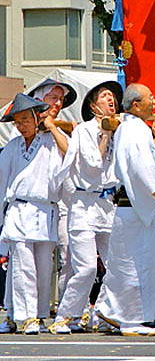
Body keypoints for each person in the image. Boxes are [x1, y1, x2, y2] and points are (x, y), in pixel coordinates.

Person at [95, 83, 155, 336]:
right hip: (132, 208)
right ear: (136, 104)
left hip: (134, 207)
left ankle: (124, 312)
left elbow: (140, 164)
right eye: (150, 97)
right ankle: (125, 317)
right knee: (132, 264)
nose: (154, 101)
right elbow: (144, 173)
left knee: (141, 263)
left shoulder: (132, 129)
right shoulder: (134, 130)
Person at [49, 81, 123, 334]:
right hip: (83, 204)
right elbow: (93, 165)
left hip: (107, 204)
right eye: (105, 96)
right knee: (87, 267)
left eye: (113, 97)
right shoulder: (84, 131)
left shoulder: (118, 130)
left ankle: (102, 312)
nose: (111, 100)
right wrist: (105, 136)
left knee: (116, 264)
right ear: (93, 106)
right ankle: (66, 315)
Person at [0, 93, 69, 334]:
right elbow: (1, 185)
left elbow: (70, 155)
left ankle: (37, 313)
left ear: (35, 118)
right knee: (22, 266)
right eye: (16, 122)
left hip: (45, 210)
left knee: (42, 267)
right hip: (19, 211)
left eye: (24, 120)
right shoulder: (12, 146)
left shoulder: (52, 141)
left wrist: (51, 126)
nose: (20, 126)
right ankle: (23, 315)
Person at [28, 79, 78, 307]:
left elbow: (68, 152)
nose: (58, 103)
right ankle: (29, 310)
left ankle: (68, 307)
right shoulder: (24, 129)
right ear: (40, 99)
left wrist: (52, 127)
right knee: (29, 263)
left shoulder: (61, 132)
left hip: (64, 204)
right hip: (31, 204)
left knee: (70, 256)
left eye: (60, 99)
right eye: (53, 98)